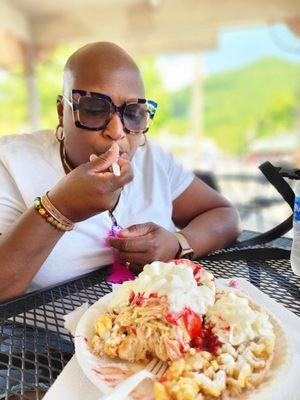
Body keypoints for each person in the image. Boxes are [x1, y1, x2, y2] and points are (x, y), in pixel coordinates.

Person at [0, 41, 240, 303]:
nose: (116, 131)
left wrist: (178, 243)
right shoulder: (12, 163)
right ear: (62, 112)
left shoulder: (151, 158)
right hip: (47, 339)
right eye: (93, 109)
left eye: (134, 113)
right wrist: (60, 208)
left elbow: (225, 215)